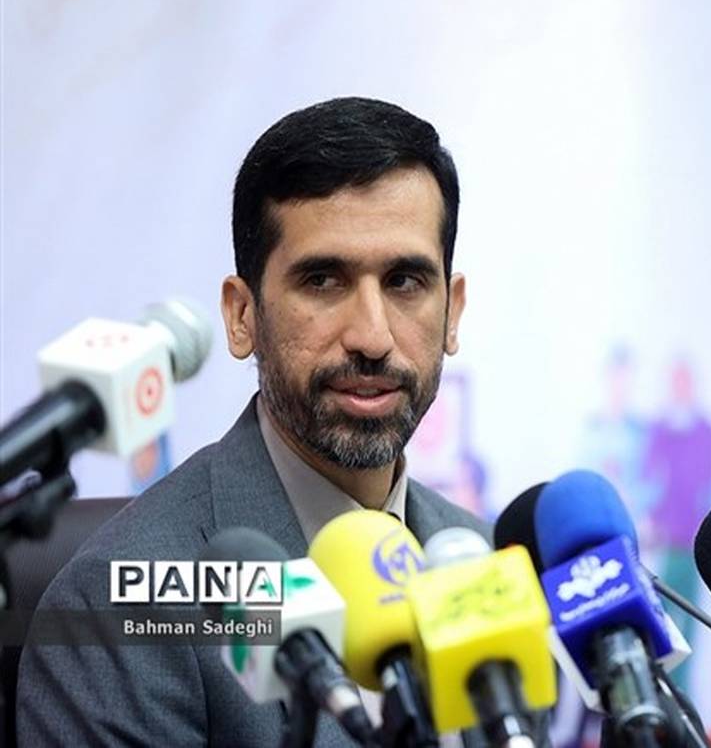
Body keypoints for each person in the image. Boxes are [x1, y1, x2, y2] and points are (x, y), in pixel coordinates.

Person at [17, 97, 483, 746]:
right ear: (242, 316)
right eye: (323, 281)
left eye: (405, 281)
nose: (373, 336)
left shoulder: (480, 562)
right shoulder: (119, 606)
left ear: (452, 311)